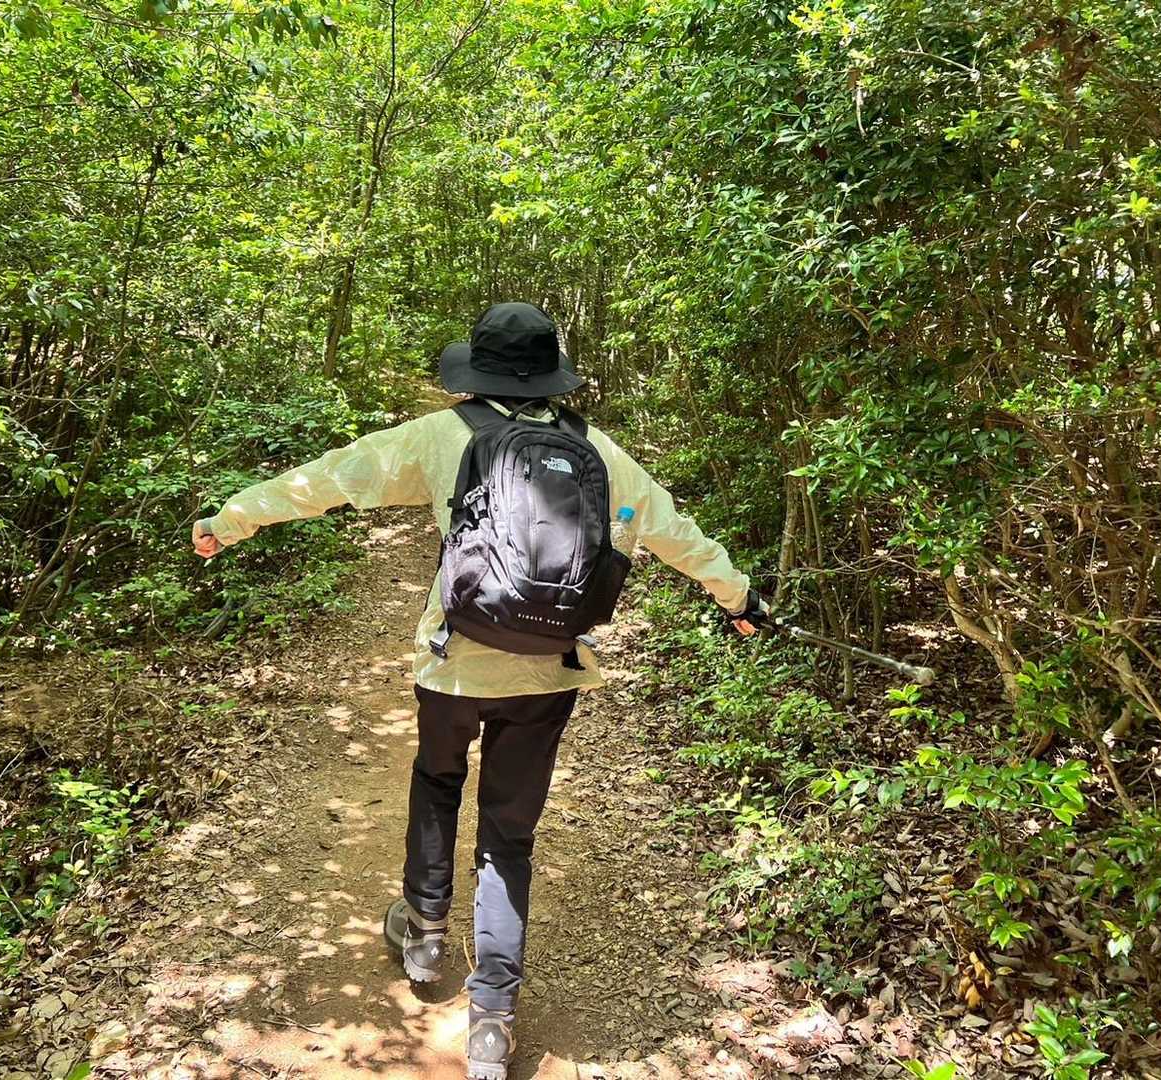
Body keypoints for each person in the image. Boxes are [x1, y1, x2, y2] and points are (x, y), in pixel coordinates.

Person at [191, 302, 769, 1079]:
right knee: (509, 834)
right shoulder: (597, 450)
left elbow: (330, 478)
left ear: (478, 371)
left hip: (454, 664)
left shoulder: (443, 435)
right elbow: (674, 533)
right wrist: (738, 598)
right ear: (552, 375)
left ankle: (425, 935)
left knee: (437, 779)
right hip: (549, 670)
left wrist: (230, 520)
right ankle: (492, 1018)